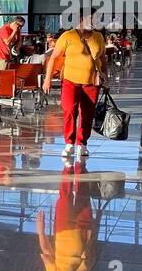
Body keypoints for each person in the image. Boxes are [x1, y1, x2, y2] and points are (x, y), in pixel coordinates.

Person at [44, 12, 107, 161]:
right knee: (70, 110)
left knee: (87, 113)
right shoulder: (68, 36)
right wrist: (47, 79)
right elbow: (53, 57)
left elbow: (103, 59)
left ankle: (82, 142)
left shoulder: (98, 37)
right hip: (70, 80)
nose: (95, 22)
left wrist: (106, 78)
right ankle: (69, 142)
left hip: (91, 81)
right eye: (92, 19)